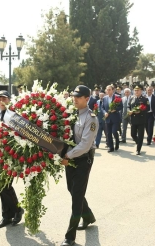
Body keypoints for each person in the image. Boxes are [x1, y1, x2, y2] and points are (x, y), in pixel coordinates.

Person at [60, 85, 98, 246]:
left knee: (76, 196)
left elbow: (84, 144)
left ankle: (70, 237)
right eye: (74, 96)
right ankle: (88, 215)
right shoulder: (71, 112)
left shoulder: (91, 118)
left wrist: (67, 155)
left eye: (78, 96)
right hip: (70, 158)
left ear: (87, 99)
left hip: (83, 159)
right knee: (72, 189)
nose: (74, 98)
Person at [0, 90, 24, 228]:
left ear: (9, 100)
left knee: (5, 185)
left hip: (11, 155)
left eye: (4, 99)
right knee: (0, 185)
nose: (1, 101)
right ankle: (7, 215)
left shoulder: (15, 117)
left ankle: (17, 210)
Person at [128, 84, 149, 155]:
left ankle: (138, 149)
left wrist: (140, 111)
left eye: (138, 90)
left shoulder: (145, 99)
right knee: (133, 134)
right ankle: (139, 142)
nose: (136, 92)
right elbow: (128, 106)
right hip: (133, 119)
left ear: (141, 91)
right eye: (135, 90)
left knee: (140, 135)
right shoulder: (131, 98)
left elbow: (148, 108)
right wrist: (129, 111)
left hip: (141, 120)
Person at [102, 85, 122, 152]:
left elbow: (121, 106)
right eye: (107, 90)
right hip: (108, 118)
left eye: (109, 89)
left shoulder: (117, 97)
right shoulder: (104, 98)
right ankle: (111, 147)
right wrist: (104, 113)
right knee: (108, 133)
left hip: (115, 118)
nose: (108, 91)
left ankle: (117, 141)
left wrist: (115, 110)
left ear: (113, 90)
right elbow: (102, 108)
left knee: (114, 132)